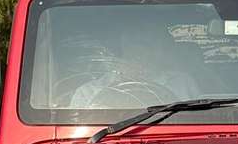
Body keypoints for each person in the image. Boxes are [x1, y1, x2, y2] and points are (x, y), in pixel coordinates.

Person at [68, 20, 203, 109]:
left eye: (150, 44)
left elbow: (195, 122)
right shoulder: (88, 92)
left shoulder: (181, 82)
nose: (142, 52)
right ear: (119, 51)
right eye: (136, 44)